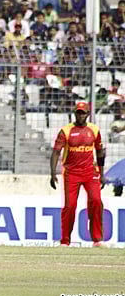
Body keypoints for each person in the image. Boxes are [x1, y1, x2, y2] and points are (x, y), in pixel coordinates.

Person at [50, 102, 106, 248]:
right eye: (78, 112)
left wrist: (102, 173)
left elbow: (100, 151)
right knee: (70, 206)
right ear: (74, 113)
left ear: (87, 114)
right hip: (71, 173)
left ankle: (97, 240)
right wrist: (52, 172)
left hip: (90, 172)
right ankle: (65, 241)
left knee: (96, 201)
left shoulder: (94, 130)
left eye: (83, 113)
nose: (80, 115)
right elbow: (56, 152)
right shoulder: (66, 131)